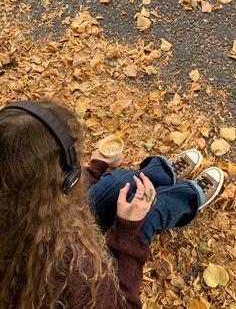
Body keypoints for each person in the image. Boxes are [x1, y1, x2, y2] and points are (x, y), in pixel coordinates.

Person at [0, 100, 224, 309]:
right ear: (65, 179)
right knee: (150, 214)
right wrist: (128, 229)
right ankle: (188, 196)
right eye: (76, 164)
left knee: (116, 182)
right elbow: (123, 303)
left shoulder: (14, 199)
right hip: (75, 247)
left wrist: (97, 166)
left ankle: (162, 174)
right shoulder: (74, 272)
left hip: (59, 217)